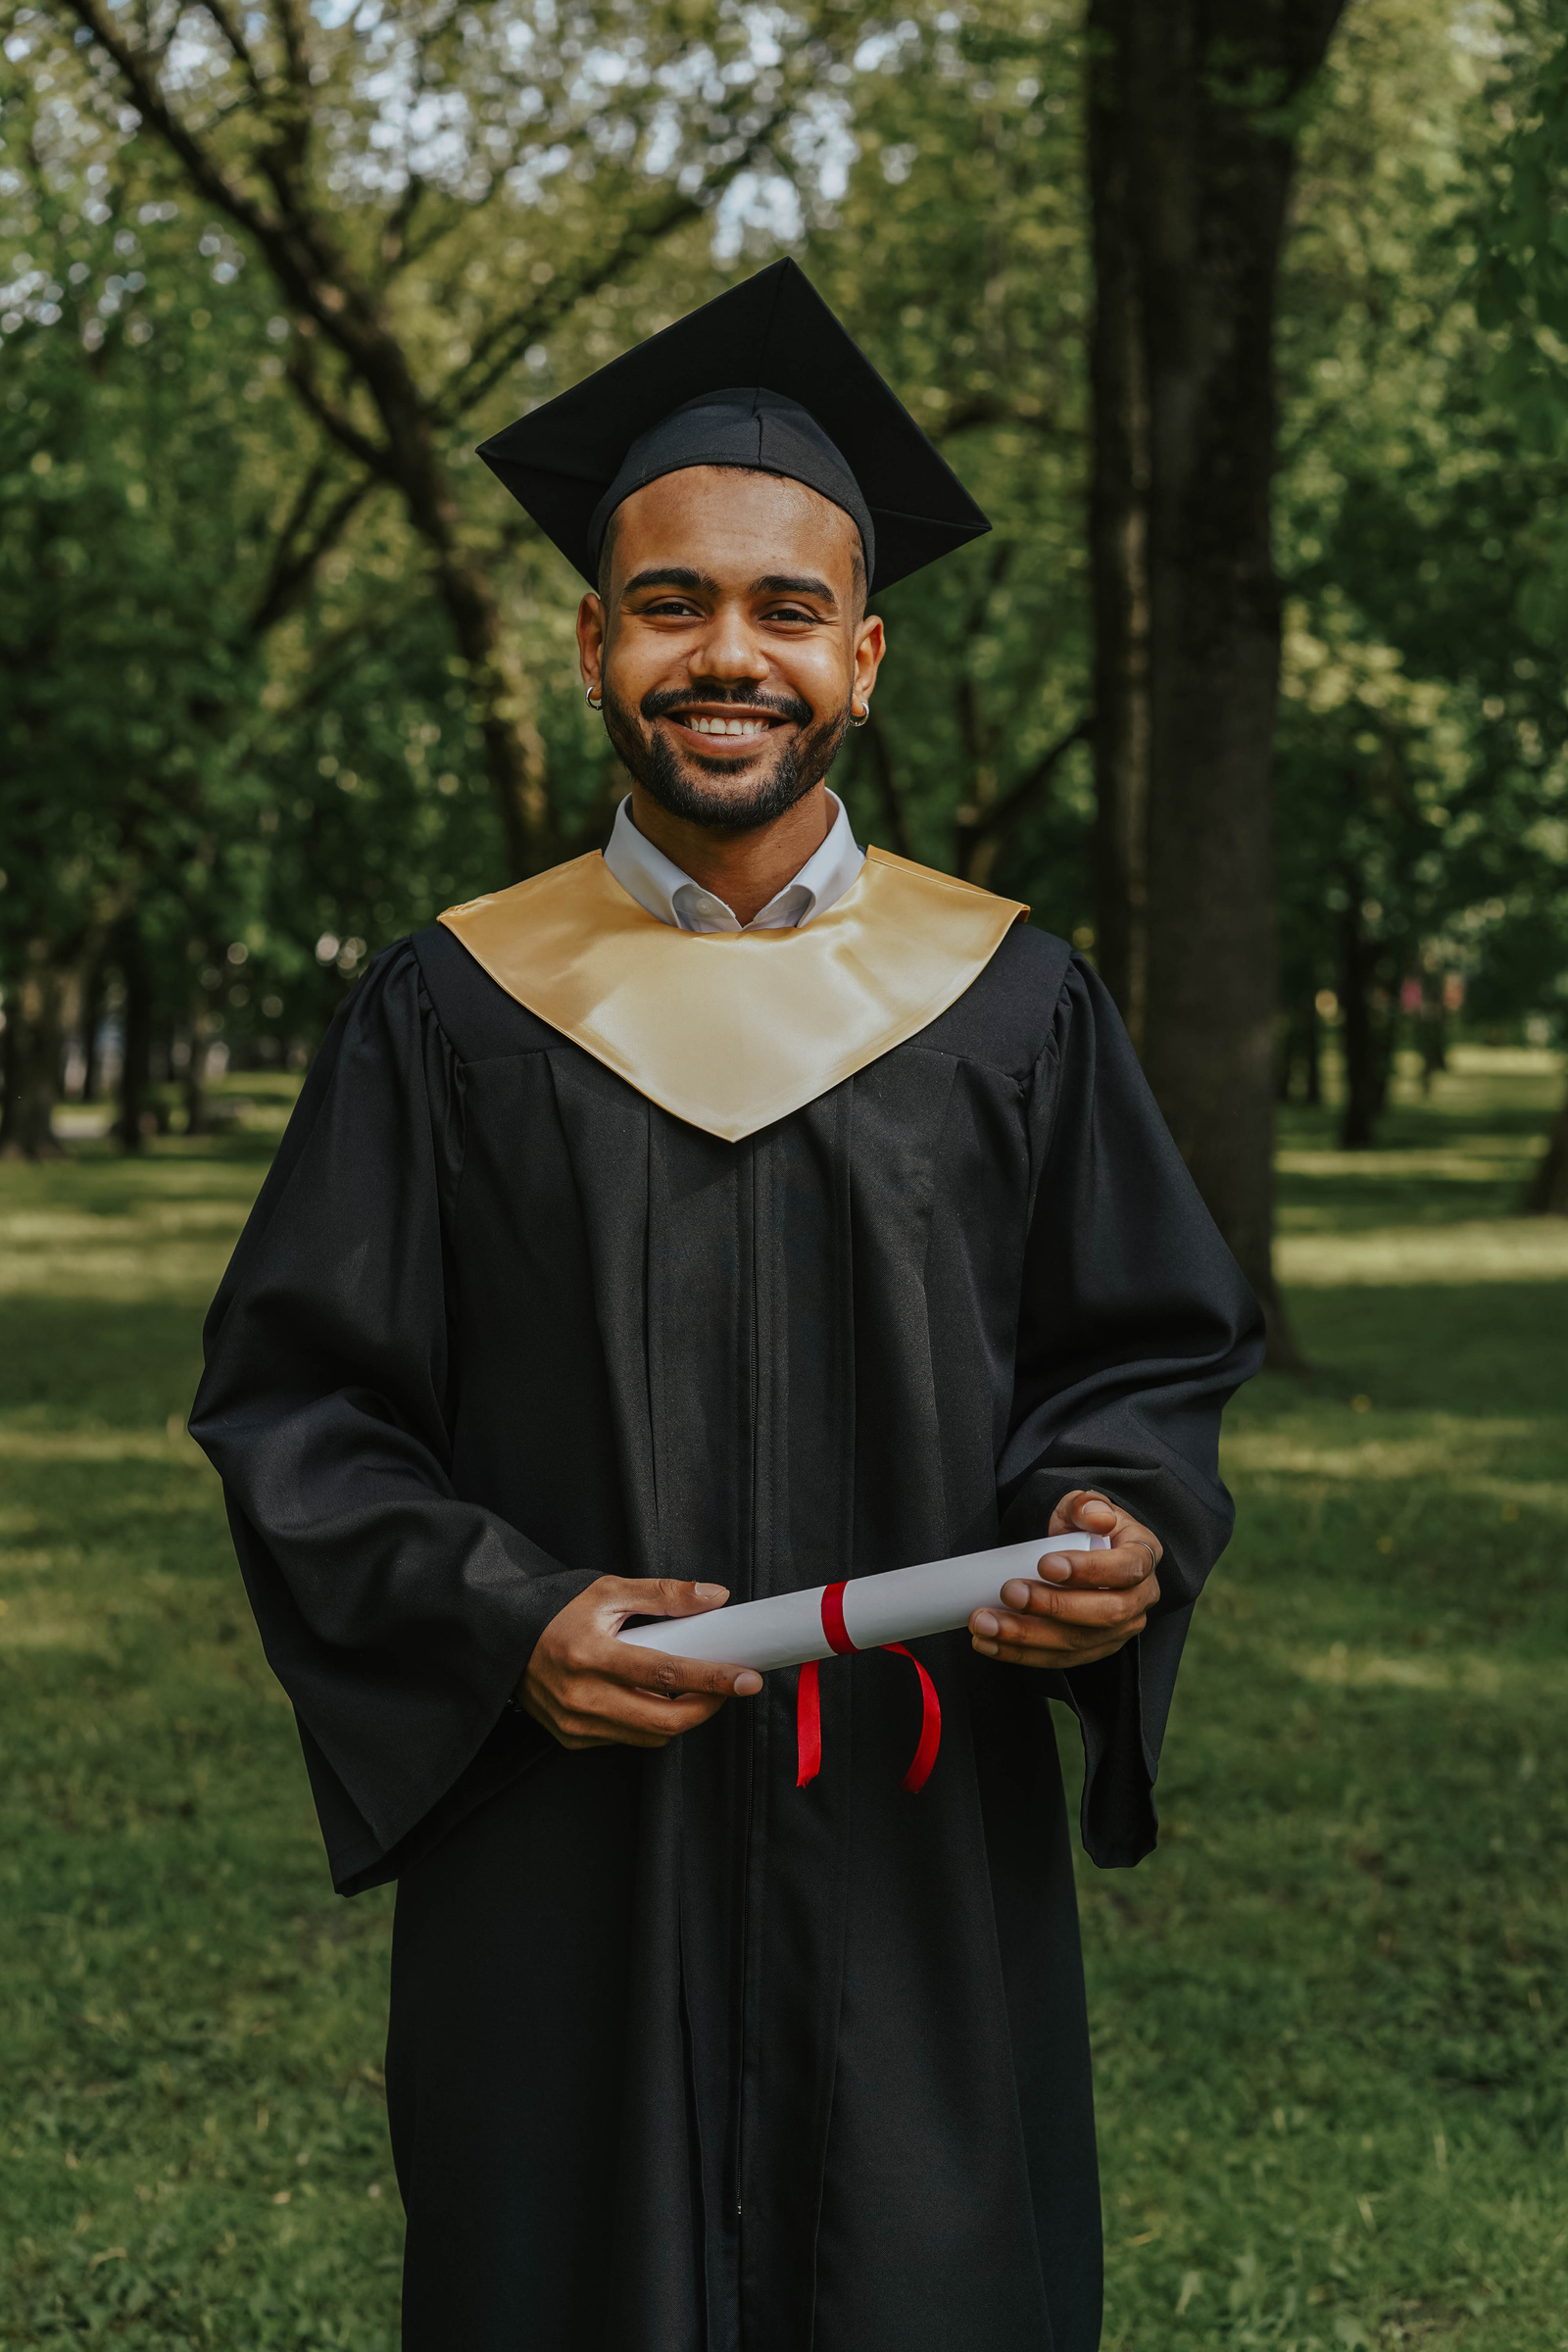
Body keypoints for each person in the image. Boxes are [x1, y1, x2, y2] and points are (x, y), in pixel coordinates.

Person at [191, 259, 1263, 2352]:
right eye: (672, 601)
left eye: (783, 610)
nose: (726, 653)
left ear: (858, 662)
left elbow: (1134, 1355)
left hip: (911, 1818)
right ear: (594, 642)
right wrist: (504, 1621)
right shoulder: (451, 1006)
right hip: (566, 1853)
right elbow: (301, 1411)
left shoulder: (1011, 1001)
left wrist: (1117, 1527)